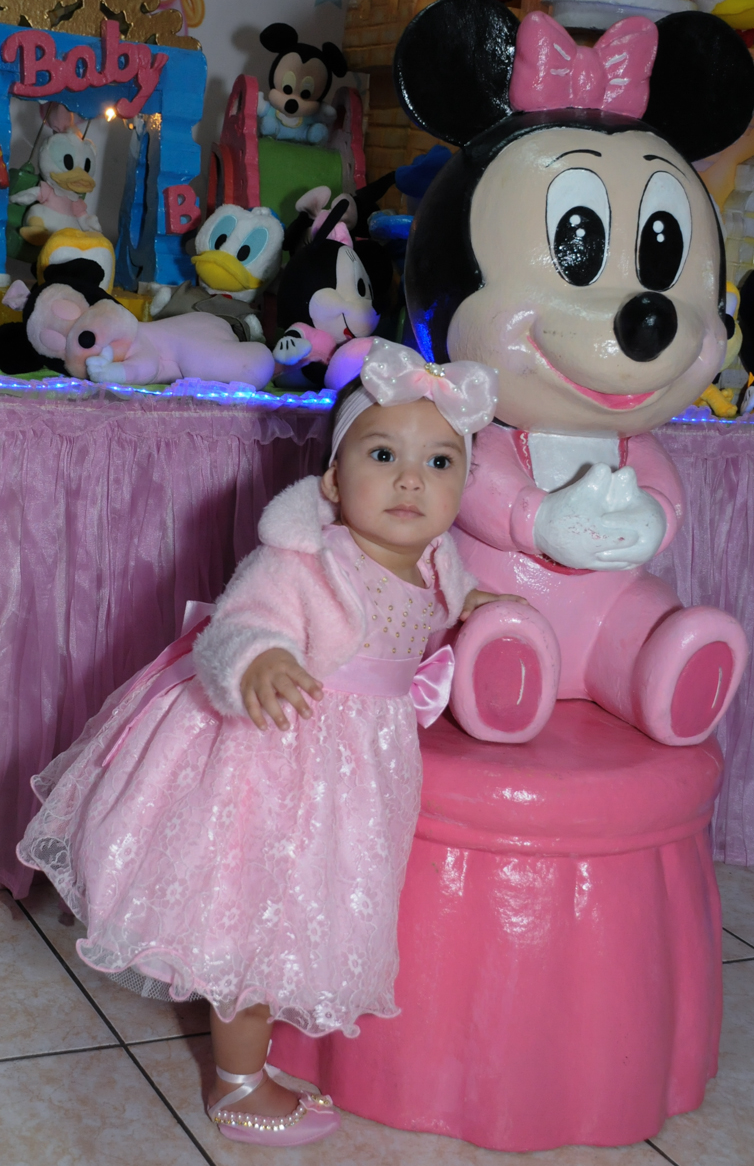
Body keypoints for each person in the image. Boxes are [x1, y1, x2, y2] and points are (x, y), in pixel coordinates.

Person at [18, 339, 523, 1147]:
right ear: (332, 481)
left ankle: (257, 1064)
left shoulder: (438, 560)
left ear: (461, 486)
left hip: (356, 777)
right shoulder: (302, 558)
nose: (410, 480)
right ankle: (236, 1082)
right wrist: (260, 657)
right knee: (254, 925)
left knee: (315, 922)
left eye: (439, 463)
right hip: (274, 764)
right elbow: (239, 623)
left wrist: (475, 606)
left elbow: (446, 599)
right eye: (383, 455)